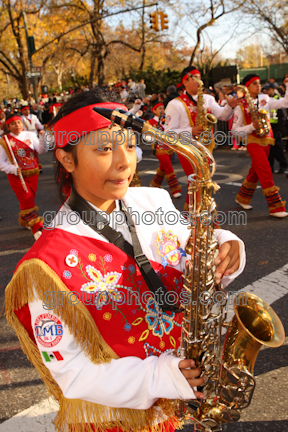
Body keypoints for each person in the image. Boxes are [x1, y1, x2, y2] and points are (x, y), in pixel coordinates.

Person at [5, 87, 245, 432]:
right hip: (116, 420)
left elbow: (194, 244)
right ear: (67, 159)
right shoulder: (45, 265)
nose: (125, 161)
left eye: (130, 145)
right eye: (104, 148)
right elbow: (73, 373)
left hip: (178, 398)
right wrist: (161, 376)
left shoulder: (154, 201)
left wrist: (226, 242)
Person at [164, 66, 241, 210]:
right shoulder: (175, 104)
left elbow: (222, 116)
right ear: (185, 81)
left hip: (206, 148)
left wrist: (229, 107)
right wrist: (190, 131)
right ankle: (208, 221)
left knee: (198, 184)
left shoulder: (208, 99)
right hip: (187, 148)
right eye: (195, 78)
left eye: (200, 77)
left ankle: (192, 219)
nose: (199, 81)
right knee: (200, 182)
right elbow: (168, 133)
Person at [233, 74, 288, 218]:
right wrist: (251, 126)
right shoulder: (241, 105)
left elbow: (285, 103)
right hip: (252, 141)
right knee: (265, 171)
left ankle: (241, 198)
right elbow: (234, 130)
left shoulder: (265, 99)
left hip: (267, 139)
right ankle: (275, 206)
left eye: (259, 83)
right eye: (254, 84)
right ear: (247, 87)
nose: (258, 86)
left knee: (256, 171)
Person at [0, 113, 48, 238]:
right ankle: (37, 228)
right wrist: (12, 169)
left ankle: (25, 220)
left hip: (33, 173)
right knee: (27, 199)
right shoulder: (5, 141)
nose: (17, 126)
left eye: (19, 122)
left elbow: (41, 150)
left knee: (28, 199)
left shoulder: (30, 135)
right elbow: (1, 163)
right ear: (8, 126)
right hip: (16, 176)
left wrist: (43, 139)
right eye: (13, 124)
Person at [148, 102, 182, 198]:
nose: (162, 110)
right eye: (159, 109)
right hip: (159, 148)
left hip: (169, 147)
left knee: (163, 167)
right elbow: (147, 136)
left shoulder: (167, 120)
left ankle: (155, 184)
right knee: (169, 168)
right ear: (154, 111)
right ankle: (175, 189)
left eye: (163, 108)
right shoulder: (150, 123)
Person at [264, 83, 288, 174]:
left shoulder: (278, 99)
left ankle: (283, 165)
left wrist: (280, 130)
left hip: (276, 127)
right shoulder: (265, 100)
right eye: (265, 90)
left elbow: (283, 116)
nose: (266, 91)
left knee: (278, 149)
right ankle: (270, 167)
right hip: (269, 127)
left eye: (268, 89)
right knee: (269, 149)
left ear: (273, 89)